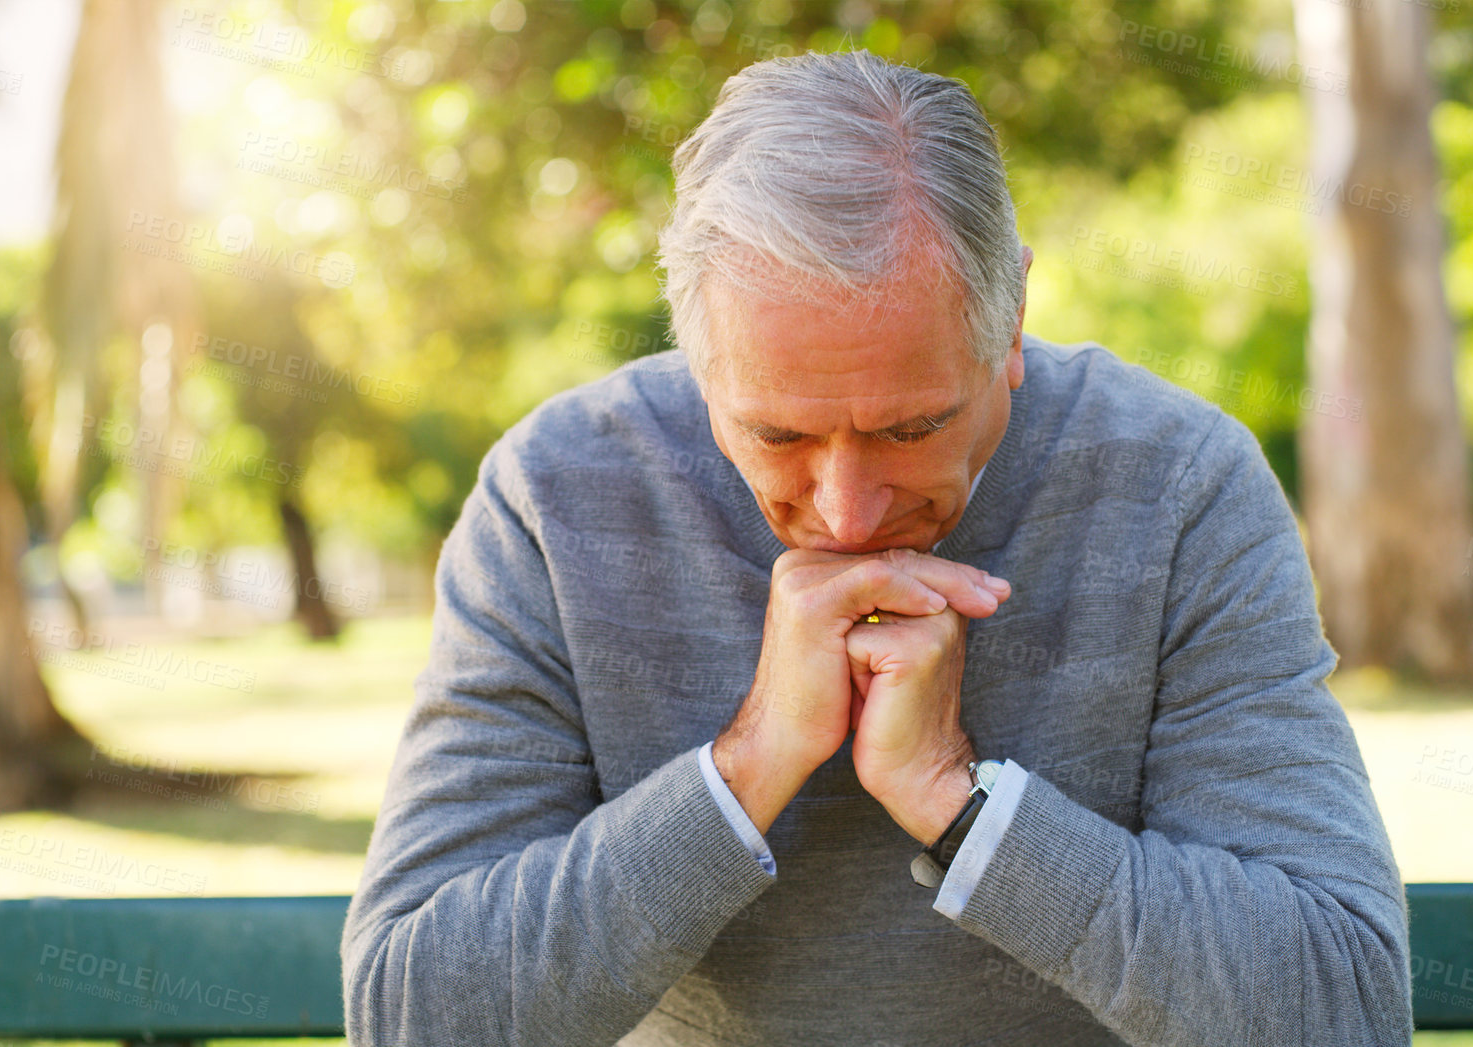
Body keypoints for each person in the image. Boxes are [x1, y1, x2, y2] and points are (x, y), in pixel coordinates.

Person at [342, 49, 1412, 1046]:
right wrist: (752, 761)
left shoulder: (1180, 485)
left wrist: (955, 798)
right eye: (779, 435)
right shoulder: (555, 495)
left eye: (912, 429)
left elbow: (1342, 1002)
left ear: (1013, 323)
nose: (848, 515)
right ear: (697, 359)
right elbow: (412, 1009)